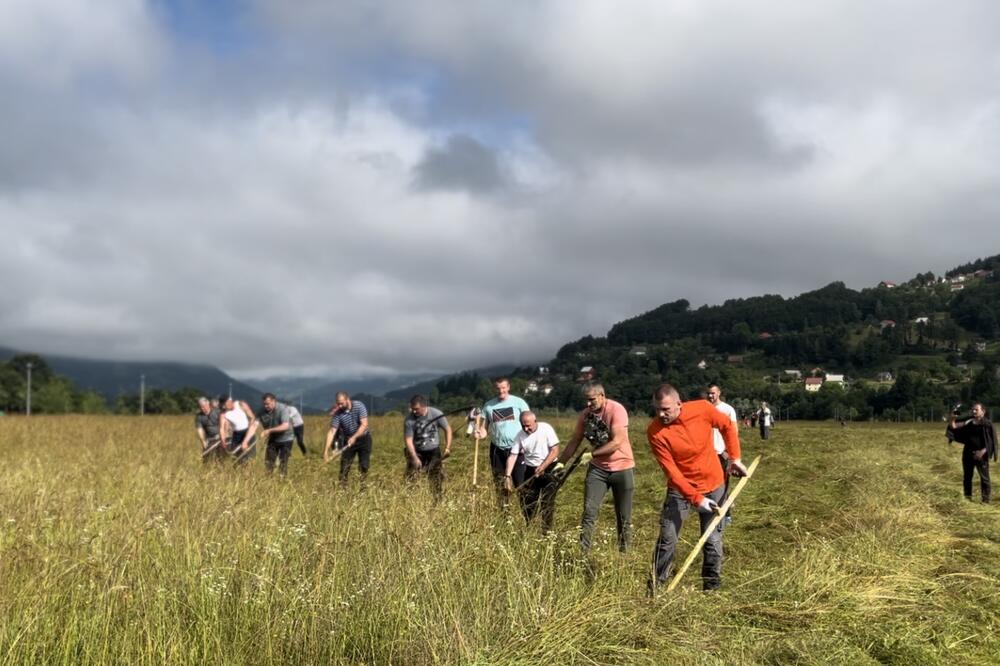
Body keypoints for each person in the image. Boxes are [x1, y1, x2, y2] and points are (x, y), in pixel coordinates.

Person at [647, 383, 748, 592]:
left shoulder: (701, 408)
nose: (661, 414)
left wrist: (735, 458)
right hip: (680, 489)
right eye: (657, 409)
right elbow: (672, 472)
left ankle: (711, 588)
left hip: (714, 483)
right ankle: (656, 587)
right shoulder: (655, 432)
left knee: (712, 540)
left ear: (679, 403)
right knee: (667, 538)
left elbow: (727, 426)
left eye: (666, 409)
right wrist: (696, 499)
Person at [558, 382, 635, 553]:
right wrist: (561, 462)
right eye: (586, 400)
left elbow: (616, 442)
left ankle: (624, 554)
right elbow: (574, 441)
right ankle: (583, 552)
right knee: (589, 511)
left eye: (591, 399)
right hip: (598, 470)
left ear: (602, 395)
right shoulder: (585, 415)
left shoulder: (616, 410)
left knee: (624, 516)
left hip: (622, 467)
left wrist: (592, 454)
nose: (588, 404)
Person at [503, 411, 560, 532]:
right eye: (523, 425)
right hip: (530, 470)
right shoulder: (520, 435)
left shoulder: (546, 428)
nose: (526, 428)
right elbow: (513, 456)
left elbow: (555, 450)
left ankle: (546, 532)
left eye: (528, 425)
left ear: (535, 421)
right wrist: (507, 477)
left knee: (547, 503)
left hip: (549, 468)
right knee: (528, 502)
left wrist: (544, 466)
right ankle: (530, 529)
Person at [477, 377, 530, 502]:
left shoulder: (519, 403)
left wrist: (526, 443)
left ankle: (528, 516)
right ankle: (504, 517)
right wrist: (479, 433)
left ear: (508, 387)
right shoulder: (489, 406)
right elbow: (484, 429)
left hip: (517, 449)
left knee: (521, 485)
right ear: (495, 389)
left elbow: (529, 423)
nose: (501, 391)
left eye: (503, 388)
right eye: (498, 388)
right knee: (500, 485)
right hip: (497, 449)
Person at [403, 395, 453, 502]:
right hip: (417, 452)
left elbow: (447, 429)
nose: (414, 412)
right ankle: (412, 501)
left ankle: (437, 501)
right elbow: (408, 440)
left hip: (433, 451)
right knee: (411, 478)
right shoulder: (409, 420)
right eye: (412, 409)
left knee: (435, 478)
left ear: (424, 406)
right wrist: (415, 457)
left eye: (416, 409)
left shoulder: (436, 414)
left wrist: (447, 447)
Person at [947, 403, 996, 503]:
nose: (974, 411)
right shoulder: (969, 422)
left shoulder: (987, 424)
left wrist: (982, 451)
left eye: (976, 410)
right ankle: (967, 498)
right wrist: (952, 418)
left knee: (985, 478)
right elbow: (954, 426)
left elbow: (992, 441)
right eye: (973, 410)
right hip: (968, 454)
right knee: (967, 477)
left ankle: (985, 501)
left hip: (981, 455)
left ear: (983, 411)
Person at [325, 392, 372, 486]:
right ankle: (342, 490)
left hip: (364, 439)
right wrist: (326, 450)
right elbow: (332, 431)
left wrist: (354, 437)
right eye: (338, 403)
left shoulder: (359, 406)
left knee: (363, 466)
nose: (339, 406)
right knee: (344, 466)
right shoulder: (338, 414)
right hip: (349, 441)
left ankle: (362, 488)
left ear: (347, 399)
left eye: (341, 403)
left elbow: (364, 424)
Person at [706, 384, 738, 525]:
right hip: (707, 454)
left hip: (721, 453)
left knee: (723, 484)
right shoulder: (705, 409)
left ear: (719, 393)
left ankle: (727, 514)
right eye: (708, 393)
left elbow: (734, 432)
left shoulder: (727, 409)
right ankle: (711, 511)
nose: (710, 396)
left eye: (713, 393)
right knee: (709, 485)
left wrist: (728, 452)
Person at [244, 393, 296, 475]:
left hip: (286, 438)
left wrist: (269, 431)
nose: (265, 406)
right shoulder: (261, 411)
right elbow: (254, 426)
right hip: (273, 439)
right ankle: (269, 481)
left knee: (283, 463)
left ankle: (282, 481)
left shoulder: (283, 409)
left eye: (267, 404)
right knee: (268, 463)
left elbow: (285, 426)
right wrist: (245, 441)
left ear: (274, 401)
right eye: (264, 404)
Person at [218, 395, 256, 460]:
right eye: (222, 406)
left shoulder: (240, 404)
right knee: (236, 456)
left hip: (247, 432)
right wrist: (223, 440)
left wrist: (248, 432)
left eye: (224, 405)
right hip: (236, 434)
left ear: (229, 401)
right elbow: (221, 428)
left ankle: (249, 467)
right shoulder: (223, 414)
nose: (224, 407)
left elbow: (252, 417)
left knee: (250, 456)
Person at [194, 397, 225, 463]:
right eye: (201, 407)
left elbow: (225, 425)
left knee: (222, 458)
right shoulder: (199, 417)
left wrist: (223, 437)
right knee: (206, 459)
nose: (203, 408)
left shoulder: (218, 412)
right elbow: (200, 430)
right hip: (210, 439)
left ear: (208, 404)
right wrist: (203, 442)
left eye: (204, 406)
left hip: (222, 438)